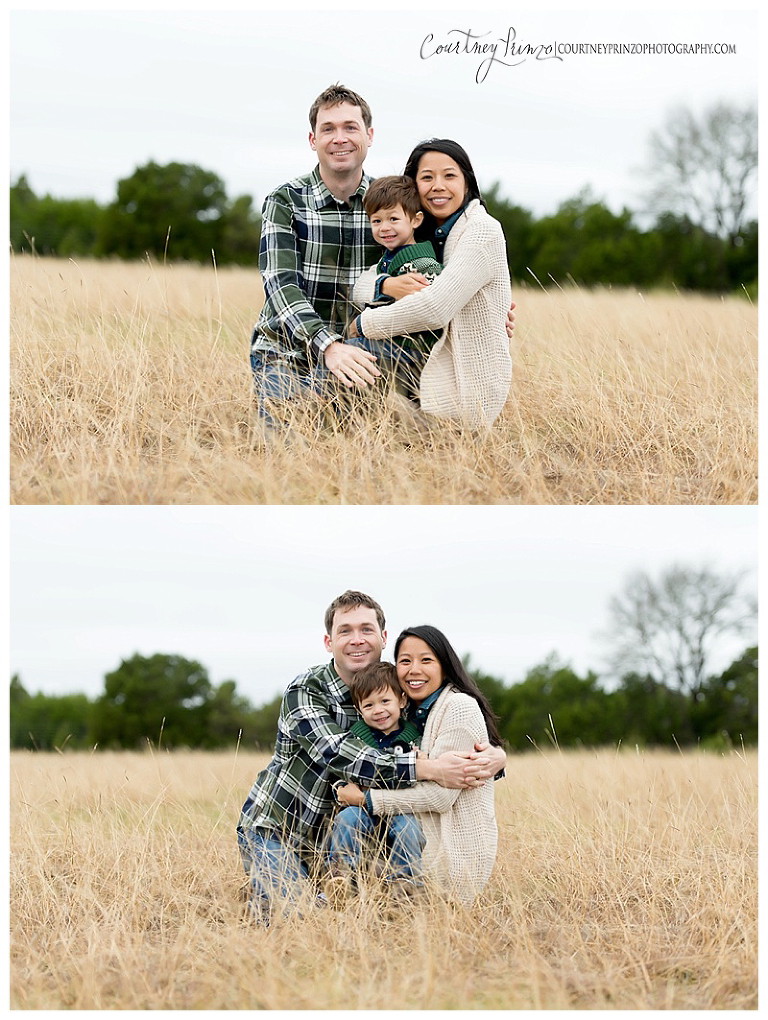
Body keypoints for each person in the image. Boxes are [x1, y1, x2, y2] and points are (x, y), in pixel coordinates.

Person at [248, 83, 515, 428]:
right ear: (313, 140)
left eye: (350, 127)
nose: (340, 138)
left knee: (368, 442)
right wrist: (330, 345)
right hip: (290, 350)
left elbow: (439, 281)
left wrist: (485, 312)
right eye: (328, 129)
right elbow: (281, 286)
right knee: (289, 437)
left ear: (369, 136)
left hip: (369, 350)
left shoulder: (391, 204)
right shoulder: (286, 201)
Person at [236, 591, 506, 924]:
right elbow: (340, 755)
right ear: (328, 642)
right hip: (281, 831)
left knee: (361, 926)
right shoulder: (306, 690)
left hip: (344, 839)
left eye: (366, 629)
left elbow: (441, 736)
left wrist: (496, 758)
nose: (357, 640)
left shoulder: (393, 689)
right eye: (345, 631)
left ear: (383, 638)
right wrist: (427, 768)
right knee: (295, 924)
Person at [349, 139, 514, 428]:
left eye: (449, 176)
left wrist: (363, 324)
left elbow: (435, 308)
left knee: (352, 355)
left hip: (462, 385)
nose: (438, 186)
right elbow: (363, 282)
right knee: (347, 362)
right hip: (422, 359)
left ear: (466, 181)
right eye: (427, 177)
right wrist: (386, 285)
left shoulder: (481, 230)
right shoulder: (419, 231)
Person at [332, 625, 502, 904]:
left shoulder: (458, 706)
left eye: (426, 660)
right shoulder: (413, 711)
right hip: (410, 838)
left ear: (444, 665)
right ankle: (342, 880)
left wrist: (366, 799)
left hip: (450, 853)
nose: (414, 670)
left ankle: (401, 889)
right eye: (405, 661)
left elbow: (441, 796)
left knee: (402, 834)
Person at [327, 661, 423, 886]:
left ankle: (405, 882)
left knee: (409, 829)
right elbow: (340, 771)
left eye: (385, 701)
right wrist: (342, 786)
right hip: (360, 808)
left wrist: (420, 760)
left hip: (398, 807)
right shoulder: (355, 738)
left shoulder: (414, 739)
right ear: (359, 709)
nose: (378, 710)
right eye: (369, 705)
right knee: (346, 820)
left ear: (401, 700)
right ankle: (341, 877)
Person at [360, 175, 443, 401]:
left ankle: (315, 398)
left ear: (415, 220)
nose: (384, 228)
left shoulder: (423, 265)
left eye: (393, 219)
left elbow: (434, 307)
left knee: (354, 351)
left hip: (412, 352)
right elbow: (360, 286)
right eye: (376, 221)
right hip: (393, 348)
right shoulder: (387, 260)